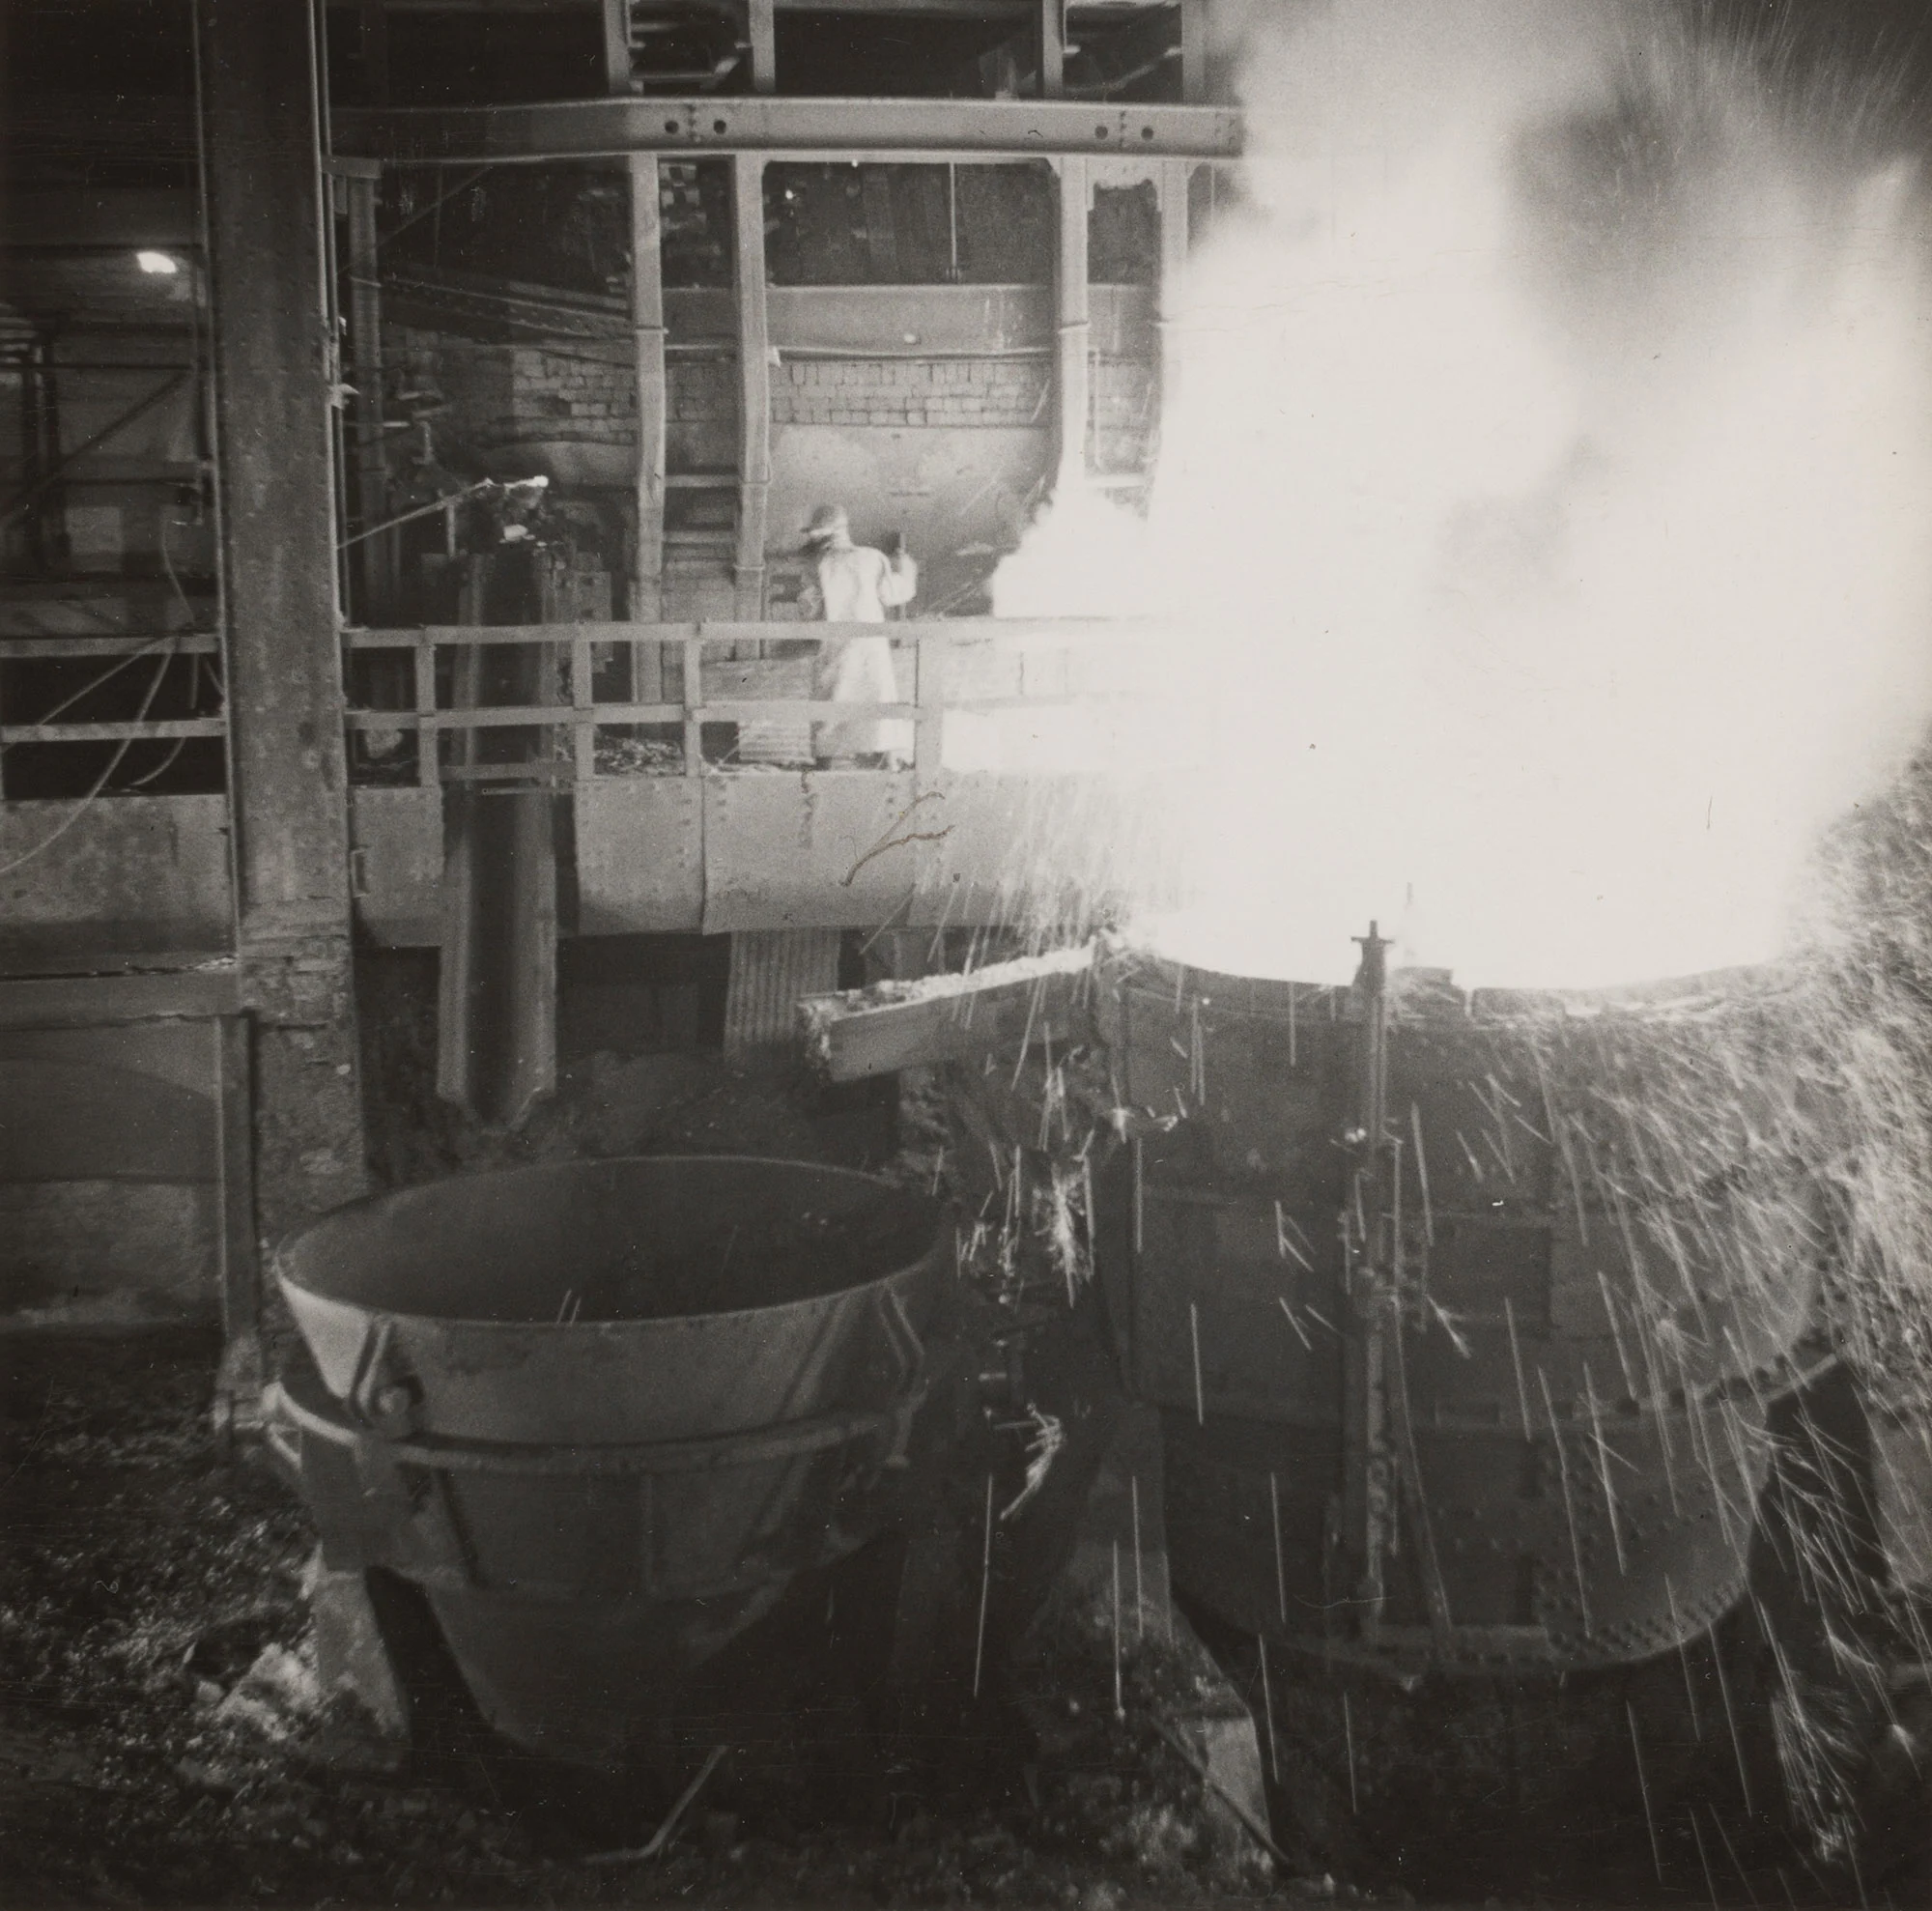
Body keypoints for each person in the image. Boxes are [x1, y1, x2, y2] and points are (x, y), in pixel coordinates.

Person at [799, 503, 918, 767]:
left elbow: (809, 613)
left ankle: (823, 774)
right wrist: (907, 568)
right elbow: (895, 594)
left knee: (830, 713)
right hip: (870, 653)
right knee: (877, 717)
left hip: (835, 650)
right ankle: (887, 770)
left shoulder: (817, 565)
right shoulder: (872, 558)